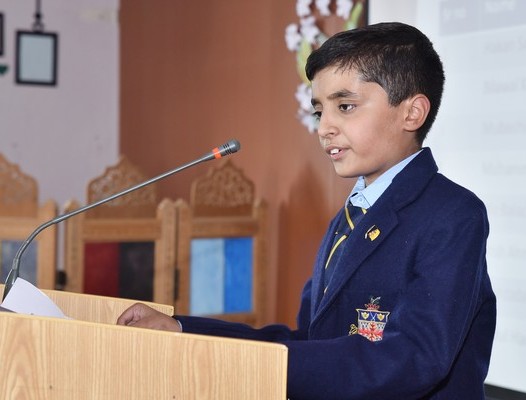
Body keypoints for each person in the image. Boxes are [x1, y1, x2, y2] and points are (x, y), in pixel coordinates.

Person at [117, 22, 496, 399]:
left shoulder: (452, 214)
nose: (325, 127)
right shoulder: (348, 219)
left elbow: (414, 358)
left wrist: (254, 364)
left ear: (411, 113)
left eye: (345, 107)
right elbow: (308, 343)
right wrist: (183, 331)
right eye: (319, 112)